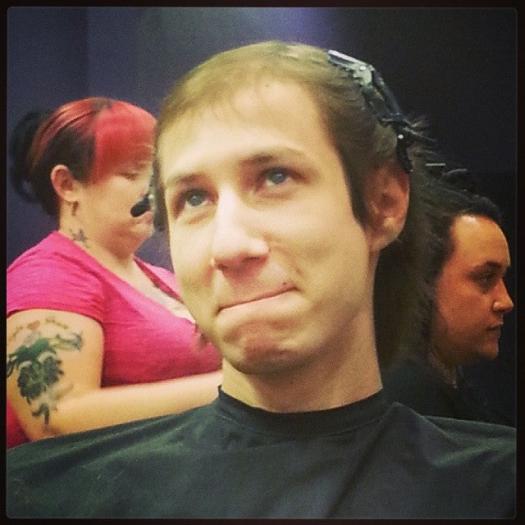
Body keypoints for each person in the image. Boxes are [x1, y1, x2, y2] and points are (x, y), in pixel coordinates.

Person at [6, 42, 515, 519]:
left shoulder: (492, 488)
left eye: (275, 177)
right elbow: (55, 414)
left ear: (384, 203)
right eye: (193, 198)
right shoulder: (42, 494)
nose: (227, 247)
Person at [6, 97, 221, 448]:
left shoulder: (162, 278)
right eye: (132, 174)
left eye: (155, 175)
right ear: (67, 185)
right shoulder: (47, 275)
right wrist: (232, 388)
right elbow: (55, 418)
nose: (154, 191)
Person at [382, 176, 514, 423]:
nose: (506, 302)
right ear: (422, 280)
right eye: (485, 278)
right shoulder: (406, 406)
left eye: (502, 278)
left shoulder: (448, 388)